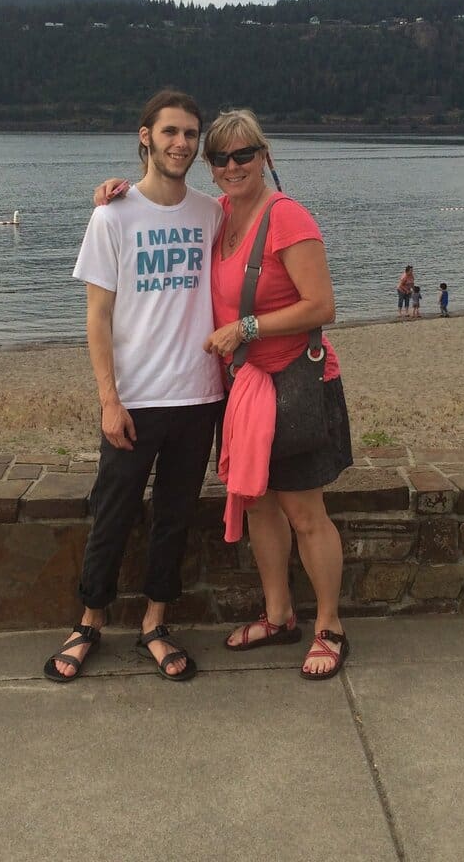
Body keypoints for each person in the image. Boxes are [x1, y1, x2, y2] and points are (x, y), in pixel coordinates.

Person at [43, 89, 225, 684]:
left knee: (175, 516)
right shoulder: (112, 215)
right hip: (135, 399)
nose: (182, 144)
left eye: (191, 135)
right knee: (114, 512)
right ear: (145, 135)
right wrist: (108, 399)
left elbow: (264, 222)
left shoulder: (212, 212)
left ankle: (155, 622)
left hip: (199, 396)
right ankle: (89, 620)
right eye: (170, 132)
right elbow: (97, 316)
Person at [200, 109, 354, 681]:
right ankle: (279, 614)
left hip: (296, 383)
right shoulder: (217, 216)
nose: (233, 165)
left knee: (304, 511)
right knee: (259, 502)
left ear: (265, 155)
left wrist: (247, 329)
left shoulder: (287, 217)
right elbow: (158, 209)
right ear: (211, 167)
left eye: (244, 154)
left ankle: (330, 626)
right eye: (221, 157)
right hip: (245, 391)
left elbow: (322, 306)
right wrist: (111, 196)